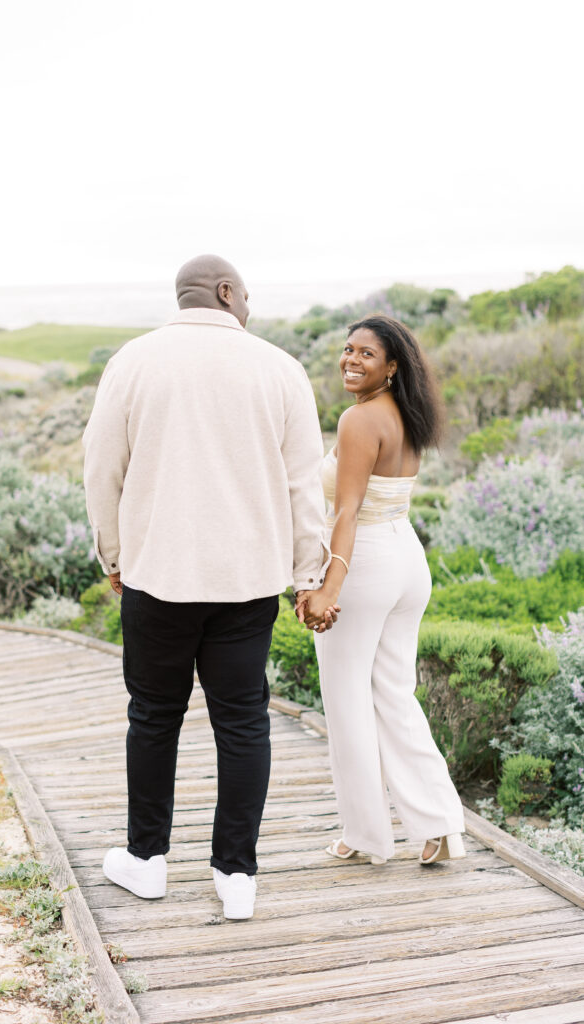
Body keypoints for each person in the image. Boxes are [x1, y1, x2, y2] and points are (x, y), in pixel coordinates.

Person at [82, 255, 331, 920]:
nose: (248, 303)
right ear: (225, 292)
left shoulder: (133, 361)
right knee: (243, 722)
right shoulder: (279, 368)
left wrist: (113, 553)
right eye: (244, 293)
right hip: (247, 582)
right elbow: (305, 484)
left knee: (153, 718)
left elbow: (102, 467)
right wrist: (308, 574)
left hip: (156, 575)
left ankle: (146, 860)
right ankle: (236, 875)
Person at [297, 314, 466, 866]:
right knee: (394, 694)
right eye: (347, 349)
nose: (351, 359)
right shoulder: (407, 414)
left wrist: (328, 586)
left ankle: (365, 835)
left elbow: (346, 510)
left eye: (366, 354)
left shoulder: (359, 420)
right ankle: (439, 823)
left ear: (392, 366)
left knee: (348, 703)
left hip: (365, 561)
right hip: (406, 558)